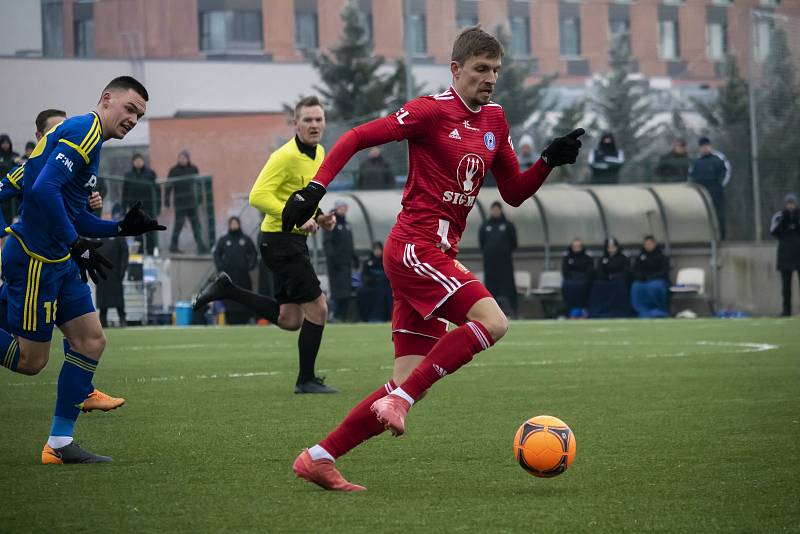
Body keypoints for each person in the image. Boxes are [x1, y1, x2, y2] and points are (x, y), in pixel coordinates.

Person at [280, 26, 584, 491]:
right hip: (413, 248)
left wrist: (546, 161)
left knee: (402, 380)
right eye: (481, 69)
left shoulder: (495, 120)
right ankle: (400, 402)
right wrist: (317, 187)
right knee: (495, 322)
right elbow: (358, 137)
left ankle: (319, 457)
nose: (490, 78)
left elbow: (514, 193)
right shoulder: (429, 111)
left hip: (433, 254)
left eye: (496, 70)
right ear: (456, 69)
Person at [0, 76, 165, 464]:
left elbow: (72, 212)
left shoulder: (92, 141)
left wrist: (121, 228)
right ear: (106, 99)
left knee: (91, 341)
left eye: (139, 116)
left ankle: (59, 444)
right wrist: (75, 244)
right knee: (31, 361)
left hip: (58, 260)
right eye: (129, 109)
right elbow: (41, 191)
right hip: (36, 258)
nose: (132, 119)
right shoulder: (84, 129)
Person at [193, 96, 339, 393]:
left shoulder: (320, 152)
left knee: (290, 319)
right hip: (280, 240)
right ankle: (306, 380)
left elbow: (303, 197)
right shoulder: (283, 156)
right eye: (307, 120)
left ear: (324, 122)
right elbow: (258, 196)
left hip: (290, 241)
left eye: (318, 119)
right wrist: (297, 219)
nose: (314, 125)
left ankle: (227, 289)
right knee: (319, 308)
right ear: (295, 123)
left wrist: (320, 217)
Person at [212, 216, 258, 324]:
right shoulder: (224, 240)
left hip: (243, 276)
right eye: (232, 223)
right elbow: (217, 254)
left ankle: (246, 317)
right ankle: (230, 317)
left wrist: (250, 265)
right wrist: (221, 267)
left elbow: (253, 253)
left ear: (239, 224)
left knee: (244, 296)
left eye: (235, 223)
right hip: (229, 276)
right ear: (229, 225)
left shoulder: (246, 240)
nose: (234, 225)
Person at [479, 201, 518, 316]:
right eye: (493, 209)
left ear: (501, 210)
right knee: (490, 288)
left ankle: (514, 310)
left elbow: (514, 243)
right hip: (490, 263)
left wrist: (504, 251)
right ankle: (491, 313)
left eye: (497, 209)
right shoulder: (485, 226)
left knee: (509, 287)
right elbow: (482, 243)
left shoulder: (508, 225)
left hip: (505, 263)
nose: (495, 212)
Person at [165, 149, 207, 254]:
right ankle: (173, 246)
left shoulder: (194, 169)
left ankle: (201, 246)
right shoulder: (173, 170)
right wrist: (167, 201)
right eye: (180, 158)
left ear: (188, 159)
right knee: (178, 225)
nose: (181, 160)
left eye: (183, 158)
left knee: (196, 225)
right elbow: (168, 186)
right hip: (180, 203)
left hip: (192, 202)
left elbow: (198, 185)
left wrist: (200, 198)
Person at [323, 199, 358, 322]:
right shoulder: (330, 222)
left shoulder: (346, 224)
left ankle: (344, 316)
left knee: (346, 292)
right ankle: (335, 315)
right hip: (335, 265)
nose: (344, 210)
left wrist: (354, 257)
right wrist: (332, 259)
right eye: (342, 207)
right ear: (337, 208)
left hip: (346, 264)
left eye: (345, 208)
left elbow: (349, 243)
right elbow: (327, 242)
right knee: (338, 291)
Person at [689, 137, 730, 239]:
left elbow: (726, 172)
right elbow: (691, 176)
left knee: (718, 214)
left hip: (716, 192)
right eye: (702, 146)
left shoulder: (718, 158)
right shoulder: (696, 162)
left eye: (706, 146)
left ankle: (721, 236)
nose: (705, 148)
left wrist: (719, 185)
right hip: (700, 193)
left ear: (710, 146)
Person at [95, 208, 130, 328]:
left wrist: (122, 270)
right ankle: (102, 321)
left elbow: (125, 252)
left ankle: (122, 319)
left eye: (107, 217)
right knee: (102, 300)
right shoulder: (97, 233)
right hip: (101, 273)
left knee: (118, 299)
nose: (105, 219)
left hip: (115, 273)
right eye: (103, 217)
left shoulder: (117, 232)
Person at [769, 193, 800, 316]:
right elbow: (774, 232)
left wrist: (796, 221)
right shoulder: (779, 216)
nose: (791, 206)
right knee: (786, 287)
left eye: (793, 203)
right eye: (789, 203)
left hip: (798, 253)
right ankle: (786, 311)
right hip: (785, 254)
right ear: (785, 204)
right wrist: (785, 220)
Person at [123, 153, 160, 254]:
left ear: (143, 161)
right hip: (135, 210)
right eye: (136, 160)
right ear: (133, 162)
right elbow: (125, 193)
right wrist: (124, 208)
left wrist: (158, 207)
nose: (138, 162)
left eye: (140, 160)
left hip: (149, 208)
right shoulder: (128, 175)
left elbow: (157, 191)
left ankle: (151, 254)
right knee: (137, 233)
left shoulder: (151, 174)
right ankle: (139, 256)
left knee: (150, 233)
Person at [587, 237, 632, 318]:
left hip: (619, 280)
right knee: (596, 285)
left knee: (620, 285)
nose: (611, 249)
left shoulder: (623, 258)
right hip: (606, 281)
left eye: (613, 247)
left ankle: (619, 310)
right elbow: (599, 271)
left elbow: (626, 272)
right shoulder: (603, 258)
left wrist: (615, 277)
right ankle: (598, 310)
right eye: (609, 247)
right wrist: (607, 277)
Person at [630, 235, 671, 318]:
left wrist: (652, 277)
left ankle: (658, 310)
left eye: (650, 244)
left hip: (658, 280)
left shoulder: (662, 257)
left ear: (654, 244)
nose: (648, 246)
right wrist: (641, 277)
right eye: (646, 244)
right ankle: (642, 311)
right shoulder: (640, 257)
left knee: (654, 286)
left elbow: (664, 271)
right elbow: (635, 270)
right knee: (636, 286)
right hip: (643, 280)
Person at [357, 241, 392, 322]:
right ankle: (365, 318)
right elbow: (364, 276)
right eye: (376, 249)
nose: (377, 252)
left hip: (384, 285)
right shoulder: (368, 262)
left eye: (379, 249)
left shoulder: (386, 261)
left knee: (388, 292)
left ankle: (386, 317)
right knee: (361, 291)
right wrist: (371, 281)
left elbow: (390, 275)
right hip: (371, 285)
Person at [561, 238, 594, 318]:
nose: (576, 248)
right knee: (567, 285)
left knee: (583, 286)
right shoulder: (568, 257)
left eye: (578, 246)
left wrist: (582, 276)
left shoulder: (587, 257)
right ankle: (572, 309)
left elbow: (590, 270)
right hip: (571, 279)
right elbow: (565, 271)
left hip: (583, 279)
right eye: (575, 246)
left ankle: (583, 309)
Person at [0, 134, 21, 225]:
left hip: (13, 187)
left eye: (7, 143)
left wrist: (18, 162)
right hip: (2, 186)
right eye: (3, 143)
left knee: (14, 212)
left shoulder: (15, 156)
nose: (5, 145)